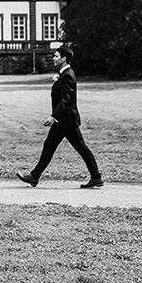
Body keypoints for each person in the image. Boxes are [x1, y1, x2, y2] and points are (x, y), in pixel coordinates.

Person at [17, 45, 103, 188]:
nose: (54, 58)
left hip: (66, 120)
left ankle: (34, 176)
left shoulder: (67, 75)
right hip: (65, 120)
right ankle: (95, 177)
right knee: (56, 146)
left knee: (75, 148)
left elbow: (65, 100)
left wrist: (53, 117)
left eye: (56, 56)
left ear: (64, 59)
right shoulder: (64, 74)